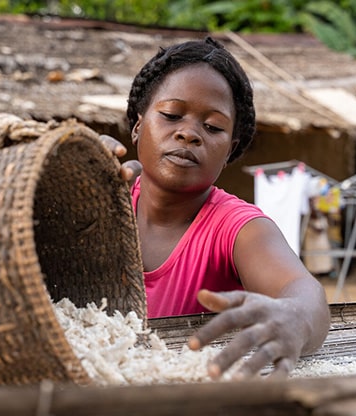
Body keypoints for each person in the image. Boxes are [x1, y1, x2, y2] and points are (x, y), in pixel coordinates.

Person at [100, 37, 329, 380]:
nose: (189, 134)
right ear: (137, 125)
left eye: (213, 127)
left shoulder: (237, 227)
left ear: (229, 151)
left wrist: (295, 317)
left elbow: (303, 291)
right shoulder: (103, 203)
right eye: (172, 115)